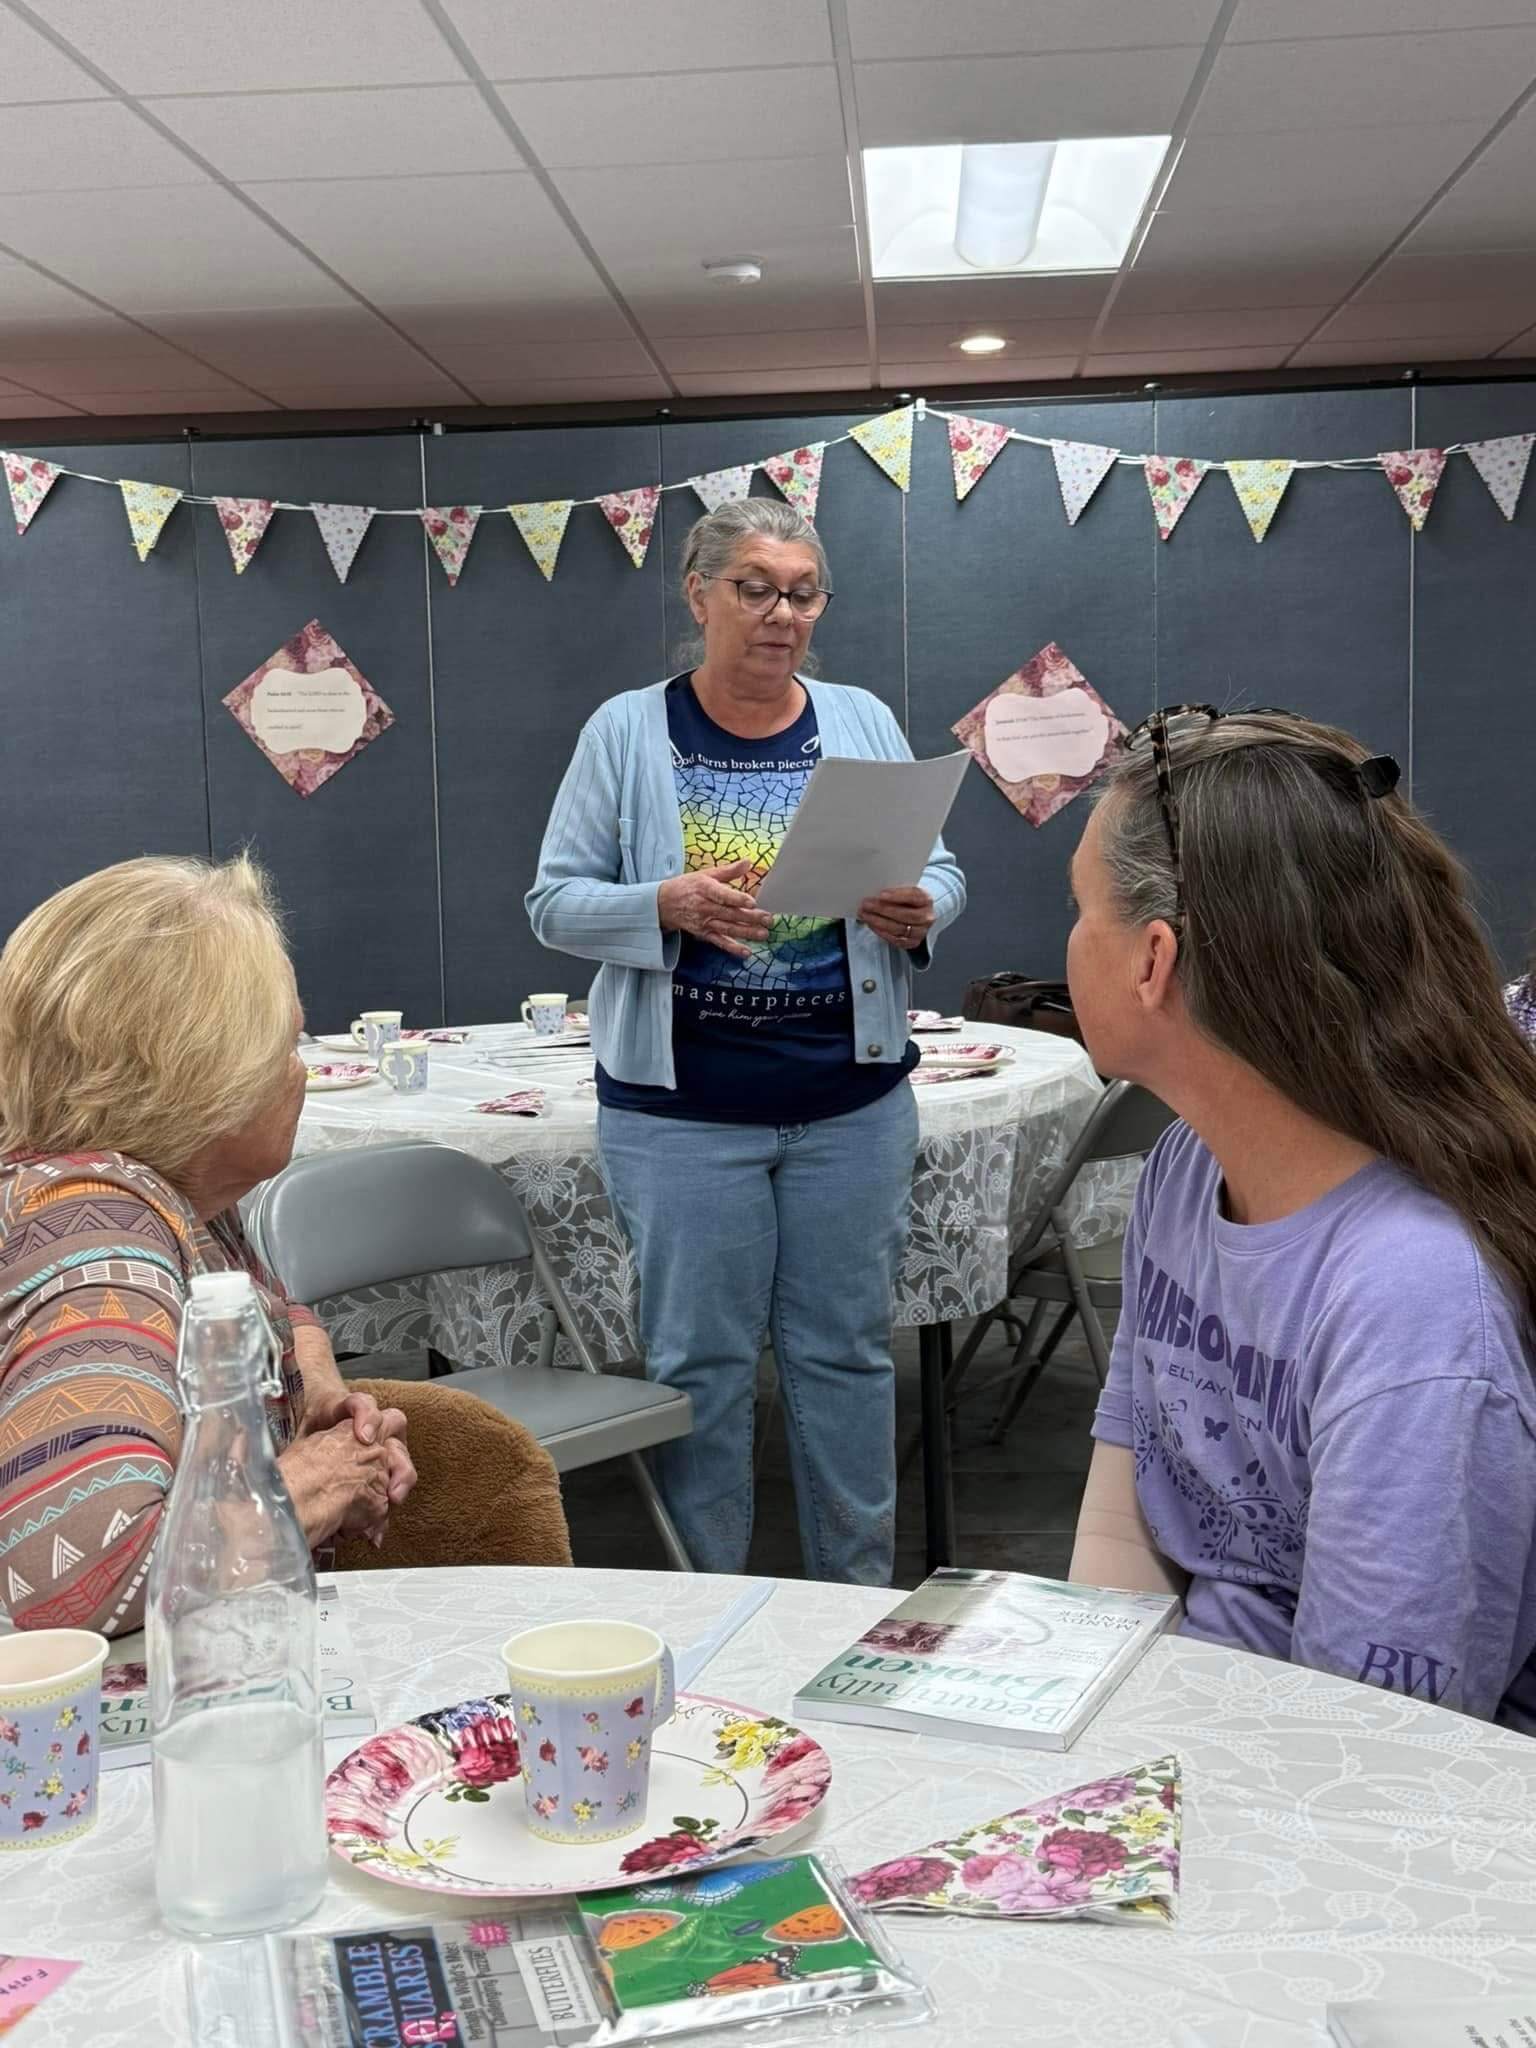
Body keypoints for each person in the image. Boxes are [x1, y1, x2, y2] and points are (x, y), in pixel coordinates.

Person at [1066, 706, 1536, 1730]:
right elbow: (1124, 1513)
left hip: (1356, 1797)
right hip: (1197, 1734)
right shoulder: (1184, 1167)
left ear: (1153, 960)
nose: (1069, 943)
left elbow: (1368, 1751)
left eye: (1079, 910)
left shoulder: (1412, 1302)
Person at [528, 498, 966, 1583]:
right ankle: (712, 1604)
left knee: (847, 1358)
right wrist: (662, 903)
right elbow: (552, 901)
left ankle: (856, 1596)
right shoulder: (629, 729)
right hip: (683, 1116)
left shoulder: (858, 715)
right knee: (703, 1367)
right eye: (756, 587)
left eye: (802, 590)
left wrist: (927, 906)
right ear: (699, 594)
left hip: (849, 1102)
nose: (782, 613)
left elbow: (939, 865)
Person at [0, 856, 558, 1637]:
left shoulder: (161, 1188)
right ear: (203, 1076)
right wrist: (307, 1482)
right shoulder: (99, 1245)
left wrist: (319, 1391)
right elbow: (82, 1579)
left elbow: (265, 1300)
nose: (299, 1076)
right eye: (283, 1048)